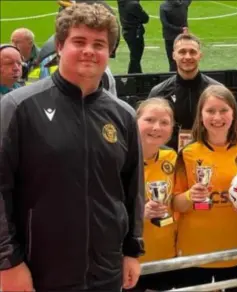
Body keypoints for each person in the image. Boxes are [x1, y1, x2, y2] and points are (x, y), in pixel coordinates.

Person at [0, 3, 144, 291]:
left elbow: (132, 189)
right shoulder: (19, 107)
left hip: (106, 272)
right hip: (37, 273)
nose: (90, 50)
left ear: (109, 52)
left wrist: (132, 250)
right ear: (61, 46)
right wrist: (8, 262)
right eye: (79, 41)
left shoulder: (123, 114)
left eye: (99, 44)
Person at [172, 85, 237, 291]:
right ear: (200, 115)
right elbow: (175, 203)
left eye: (223, 110)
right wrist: (190, 195)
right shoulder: (188, 153)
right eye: (210, 111)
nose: (217, 117)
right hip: (195, 253)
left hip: (234, 251)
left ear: (234, 114)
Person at [130, 98, 180, 292]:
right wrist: (140, 213)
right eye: (149, 120)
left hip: (168, 257)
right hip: (130, 259)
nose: (156, 127)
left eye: (164, 122)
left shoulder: (173, 158)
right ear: (135, 122)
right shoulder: (120, 159)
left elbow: (177, 201)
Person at [148, 33, 222, 151]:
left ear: (200, 55)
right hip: (169, 159)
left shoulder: (216, 91)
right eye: (182, 52)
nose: (187, 57)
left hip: (209, 156)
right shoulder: (159, 93)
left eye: (192, 52)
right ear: (173, 55)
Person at [117, 0, 149, 74]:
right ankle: (132, 77)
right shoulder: (133, 4)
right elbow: (145, 18)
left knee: (135, 57)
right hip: (135, 33)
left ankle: (137, 75)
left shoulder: (122, 2)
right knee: (135, 58)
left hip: (127, 31)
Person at [160, 0, 191, 72]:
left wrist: (179, 29)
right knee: (183, 59)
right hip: (182, 36)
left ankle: (173, 79)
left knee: (172, 60)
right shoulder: (184, 4)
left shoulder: (164, 6)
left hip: (169, 37)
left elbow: (165, 24)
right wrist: (182, 29)